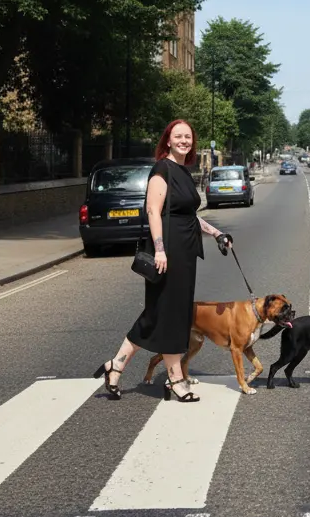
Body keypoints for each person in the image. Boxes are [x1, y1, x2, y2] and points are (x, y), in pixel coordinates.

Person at [93, 119, 232, 402]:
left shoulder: (182, 170)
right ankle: (175, 379)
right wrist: (159, 249)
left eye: (188, 137)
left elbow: (188, 215)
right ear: (167, 140)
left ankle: (116, 365)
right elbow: (153, 211)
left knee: (157, 313)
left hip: (185, 251)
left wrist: (217, 233)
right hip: (168, 253)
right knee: (172, 315)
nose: (184, 141)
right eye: (178, 136)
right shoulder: (162, 169)